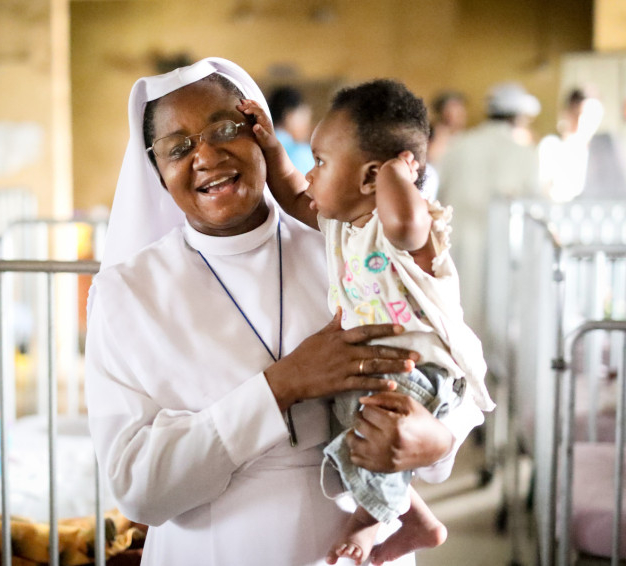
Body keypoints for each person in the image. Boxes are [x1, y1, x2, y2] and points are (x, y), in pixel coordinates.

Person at [85, 57, 485, 566]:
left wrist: (439, 442)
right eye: (178, 148)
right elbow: (137, 489)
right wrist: (281, 386)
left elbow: (446, 361)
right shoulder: (126, 294)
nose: (205, 156)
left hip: (362, 552)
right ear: (157, 172)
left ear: (261, 134)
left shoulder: (351, 247)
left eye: (225, 129)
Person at [240, 79, 494, 565]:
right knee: (355, 432)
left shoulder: (406, 229)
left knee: (369, 431)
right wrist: (271, 148)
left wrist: (398, 174)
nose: (310, 174)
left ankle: (370, 523)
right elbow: (294, 195)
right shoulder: (339, 225)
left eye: (321, 162)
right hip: (378, 370)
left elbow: (405, 222)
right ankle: (416, 518)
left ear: (371, 177)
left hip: (420, 374)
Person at [435, 81, 541, 341]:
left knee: (460, 314)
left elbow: (439, 194)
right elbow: (535, 202)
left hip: (456, 243)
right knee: (499, 320)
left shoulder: (459, 146)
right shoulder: (524, 154)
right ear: (518, 117)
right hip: (503, 248)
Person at [538, 86, 626, 202]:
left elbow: (625, 190)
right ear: (568, 112)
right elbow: (545, 191)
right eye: (579, 114)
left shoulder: (607, 146)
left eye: (593, 115)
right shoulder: (552, 146)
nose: (585, 121)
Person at [267, 85, 316, 173]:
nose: (308, 126)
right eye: (304, 118)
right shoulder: (302, 154)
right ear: (289, 116)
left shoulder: (259, 145)